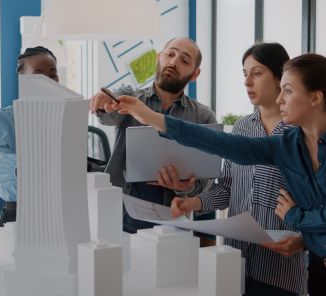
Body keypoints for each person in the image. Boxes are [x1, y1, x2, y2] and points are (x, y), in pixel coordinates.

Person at [112, 53, 326, 296]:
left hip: (287, 273)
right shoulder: (286, 144)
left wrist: (296, 217)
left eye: (287, 90)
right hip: (314, 267)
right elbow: (222, 144)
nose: (280, 99)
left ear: (315, 97)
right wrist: (152, 118)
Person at [158, 43, 307, 295]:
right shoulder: (241, 128)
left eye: (257, 73)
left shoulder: (302, 135)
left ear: (281, 76)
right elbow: (226, 188)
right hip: (232, 262)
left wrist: (302, 241)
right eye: (244, 74)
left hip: (282, 270)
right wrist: (192, 203)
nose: (247, 81)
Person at [90, 37, 217, 234]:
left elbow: (204, 184)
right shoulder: (131, 98)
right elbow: (109, 115)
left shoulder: (203, 117)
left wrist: (184, 187)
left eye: (184, 60)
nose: (174, 62)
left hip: (174, 222)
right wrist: (104, 103)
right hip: (122, 216)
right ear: (159, 58)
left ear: (195, 74)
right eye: (170, 54)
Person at [0, 46, 59, 227]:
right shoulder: (4, 117)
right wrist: (32, 168)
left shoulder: (63, 116)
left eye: (53, 74)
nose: (48, 81)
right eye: (38, 74)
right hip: (19, 212)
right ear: (22, 79)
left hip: (59, 209)